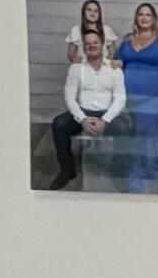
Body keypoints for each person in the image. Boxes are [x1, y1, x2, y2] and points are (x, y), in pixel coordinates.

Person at [113, 1, 158, 191]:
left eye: (148, 14)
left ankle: (135, 173)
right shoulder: (128, 39)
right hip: (130, 95)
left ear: (154, 19)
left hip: (156, 95)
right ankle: (154, 162)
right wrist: (118, 62)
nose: (144, 17)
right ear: (136, 18)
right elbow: (118, 59)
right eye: (140, 14)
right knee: (145, 130)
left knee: (143, 127)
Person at [52, 28, 128, 188]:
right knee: (59, 124)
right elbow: (69, 97)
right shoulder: (76, 68)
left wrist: (105, 120)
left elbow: (120, 98)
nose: (91, 46)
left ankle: (118, 171)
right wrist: (83, 119)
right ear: (84, 47)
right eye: (87, 44)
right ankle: (67, 170)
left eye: (95, 42)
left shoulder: (115, 69)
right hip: (83, 112)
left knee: (124, 128)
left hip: (106, 113)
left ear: (103, 44)